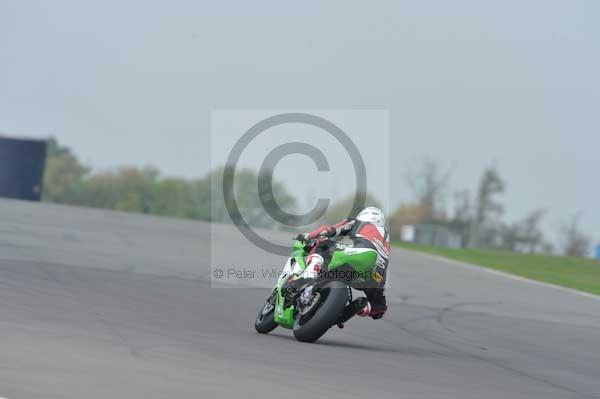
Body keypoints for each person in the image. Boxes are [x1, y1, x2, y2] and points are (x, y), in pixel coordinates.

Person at [295, 206, 390, 322]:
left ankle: (310, 274)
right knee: (379, 306)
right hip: (377, 273)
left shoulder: (358, 222)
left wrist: (309, 236)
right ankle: (356, 308)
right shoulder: (386, 237)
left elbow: (329, 230)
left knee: (322, 243)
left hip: (361, 254)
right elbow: (378, 314)